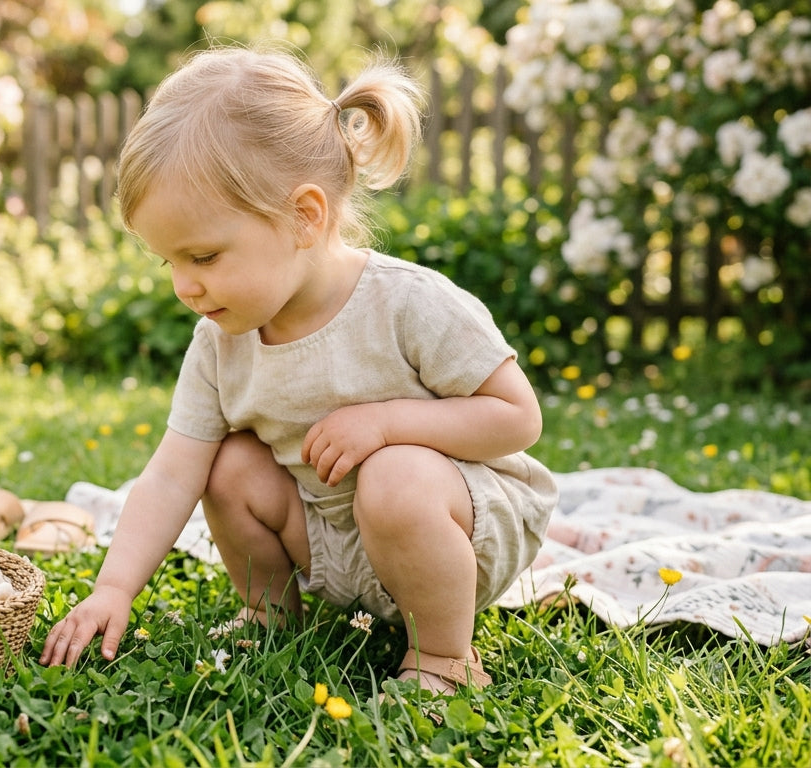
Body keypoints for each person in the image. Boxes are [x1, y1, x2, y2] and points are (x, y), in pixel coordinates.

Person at [39, 44, 558, 695]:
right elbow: (172, 474)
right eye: (168, 262)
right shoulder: (220, 343)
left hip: (458, 532)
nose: (184, 286)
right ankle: (271, 615)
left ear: (304, 217)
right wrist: (113, 588)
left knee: (394, 474)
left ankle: (445, 657)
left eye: (202, 256)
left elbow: (517, 418)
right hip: (332, 542)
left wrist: (390, 424)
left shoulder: (407, 303)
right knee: (225, 465)